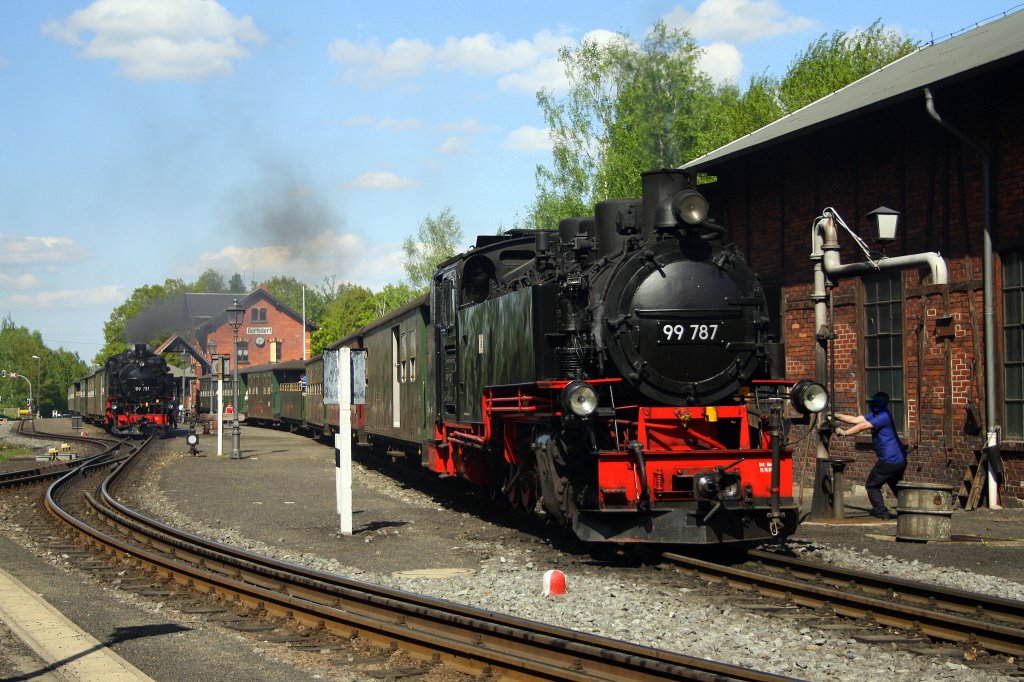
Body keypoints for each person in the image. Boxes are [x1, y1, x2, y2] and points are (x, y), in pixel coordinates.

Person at [834, 391, 907, 520]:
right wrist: (835, 415)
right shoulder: (876, 414)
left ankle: (882, 513)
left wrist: (845, 433)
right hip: (898, 459)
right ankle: (908, 510)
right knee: (895, 485)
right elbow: (854, 420)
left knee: (872, 486)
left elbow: (864, 426)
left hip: (890, 459)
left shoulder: (884, 415)